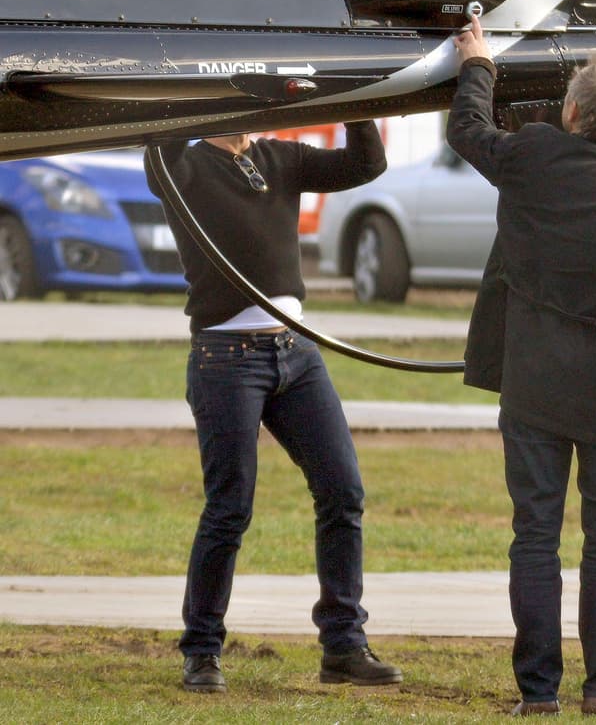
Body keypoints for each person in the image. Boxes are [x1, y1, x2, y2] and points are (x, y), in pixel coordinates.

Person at [448, 17, 596, 718]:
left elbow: (468, 131)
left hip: (533, 388)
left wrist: (478, 63)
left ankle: (537, 692)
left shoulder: (529, 157)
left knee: (535, 535)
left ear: (573, 111)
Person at [146, 122, 403, 694]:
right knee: (229, 507)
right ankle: (202, 651)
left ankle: (343, 645)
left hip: (297, 353)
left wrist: (359, 108)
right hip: (225, 359)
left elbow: (365, 166)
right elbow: (157, 138)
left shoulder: (280, 158)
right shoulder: (179, 167)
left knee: (343, 491)